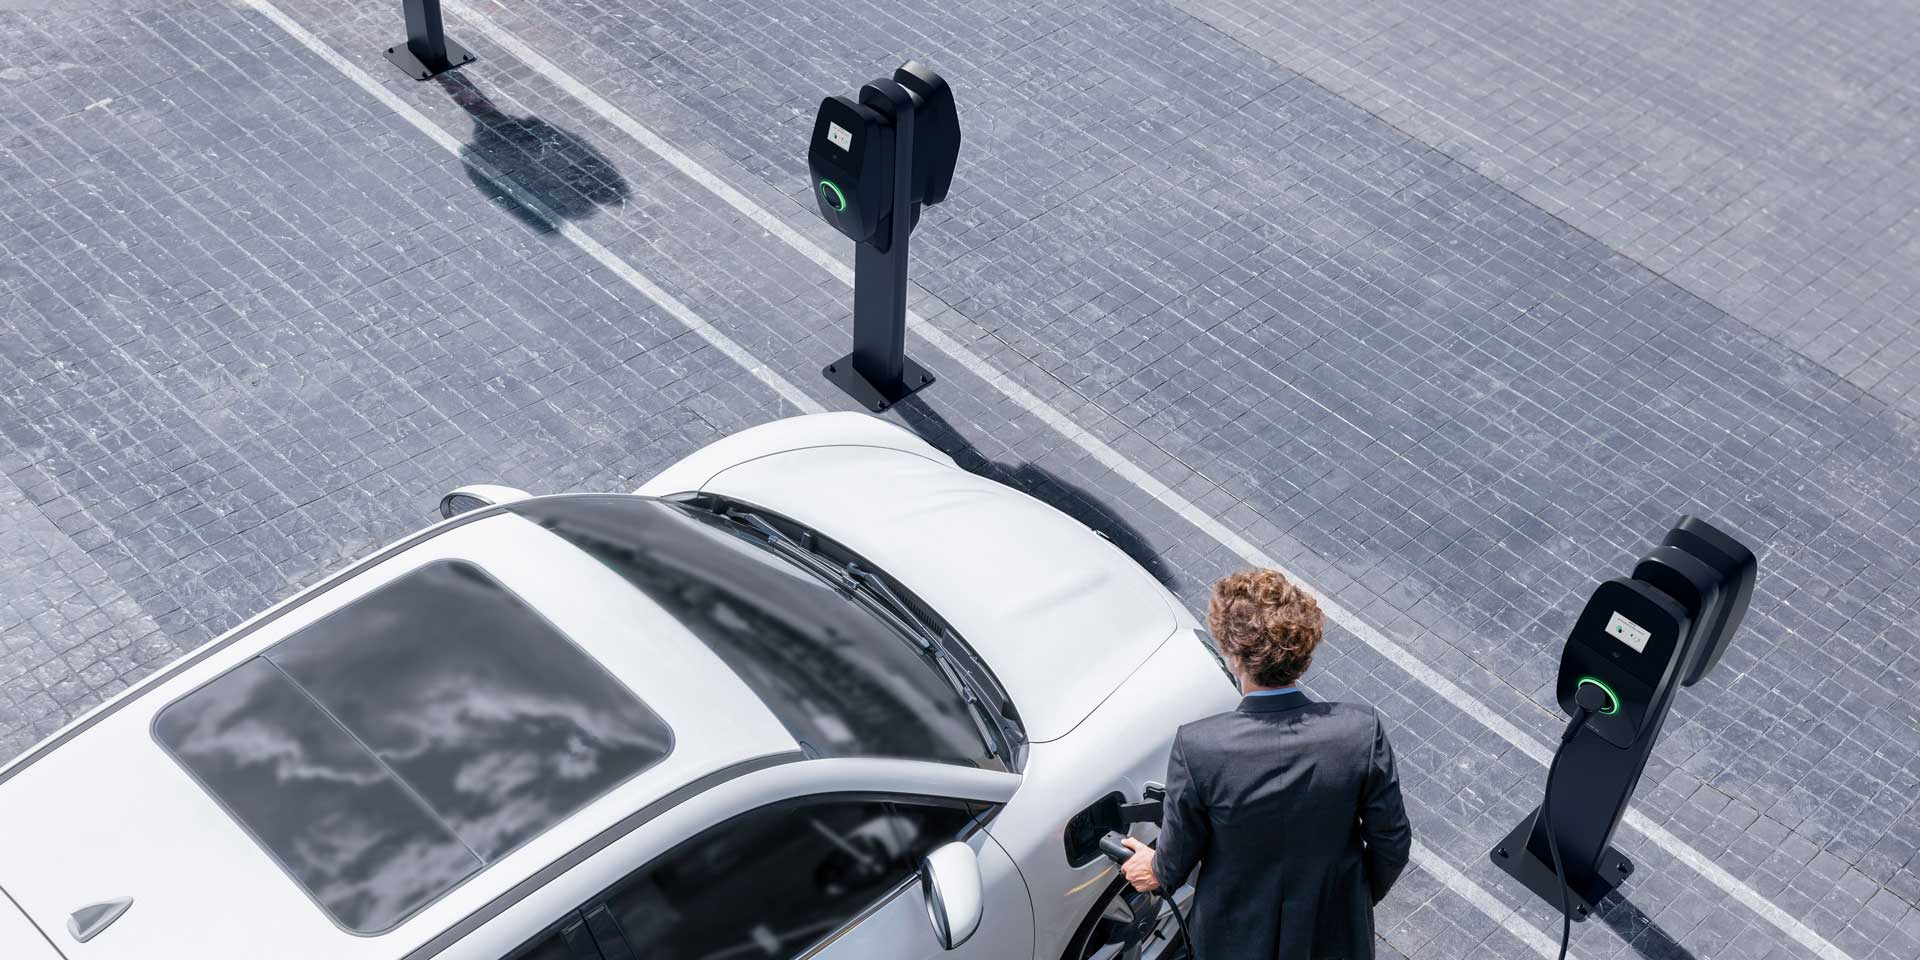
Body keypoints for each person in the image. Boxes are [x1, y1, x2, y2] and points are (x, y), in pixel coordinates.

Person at [1120, 569, 1412, 959]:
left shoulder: (1199, 747)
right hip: (1333, 936)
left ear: (1235, 656)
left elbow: (1174, 861)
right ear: (1302, 654)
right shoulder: (1360, 731)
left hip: (1234, 940)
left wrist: (1151, 868)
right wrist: (1351, 902)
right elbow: (1391, 843)